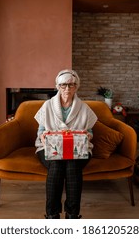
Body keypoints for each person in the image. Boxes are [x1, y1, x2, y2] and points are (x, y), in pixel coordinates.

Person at [34, 69, 97, 219]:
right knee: (56, 165)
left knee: (73, 166)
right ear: (57, 86)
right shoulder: (48, 106)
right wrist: (43, 137)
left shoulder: (84, 108)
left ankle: (72, 215)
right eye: (63, 85)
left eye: (71, 85)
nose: (67, 89)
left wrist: (88, 135)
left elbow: (90, 132)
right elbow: (40, 130)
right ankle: (52, 214)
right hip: (49, 148)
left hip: (77, 148)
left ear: (76, 86)